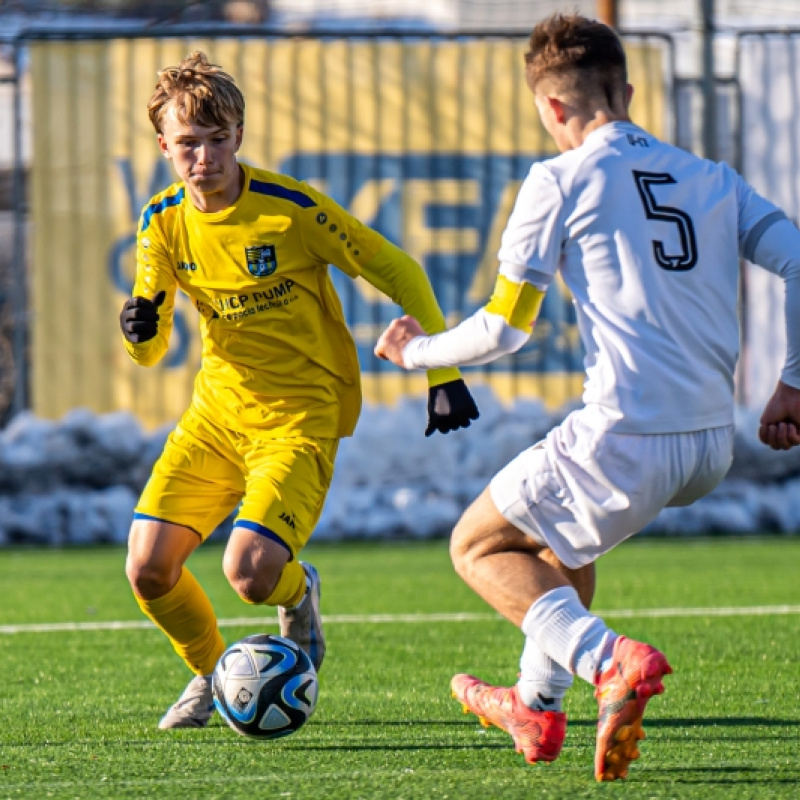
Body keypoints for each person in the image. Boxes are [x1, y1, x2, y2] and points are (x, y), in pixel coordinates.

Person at [375, 11, 800, 782]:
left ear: (552, 108)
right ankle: (536, 706)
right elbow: (799, 259)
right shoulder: (711, 177)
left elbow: (507, 329)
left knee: (474, 546)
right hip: (711, 443)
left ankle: (609, 660)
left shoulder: (559, 178)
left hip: (625, 434)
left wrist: (419, 353)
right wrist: (795, 380)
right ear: (628, 91)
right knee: (556, 544)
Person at [120, 51, 479, 730]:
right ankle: (209, 672)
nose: (205, 158)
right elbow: (151, 350)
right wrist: (139, 328)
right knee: (147, 570)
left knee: (250, 572)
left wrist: (443, 370)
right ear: (163, 146)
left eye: (218, 140)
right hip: (216, 419)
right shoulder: (161, 222)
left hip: (300, 418)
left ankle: (299, 591)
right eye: (188, 144)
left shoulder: (292, 211)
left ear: (240, 137)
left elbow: (398, 269)